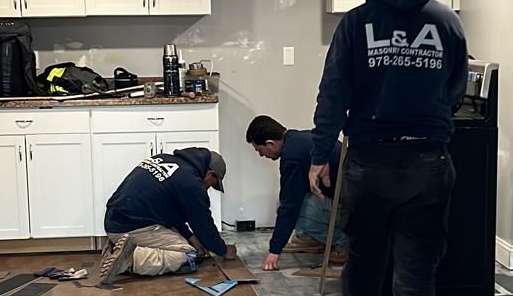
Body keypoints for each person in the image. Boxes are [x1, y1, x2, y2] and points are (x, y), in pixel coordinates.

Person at [309, 0, 468, 296]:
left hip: (369, 161)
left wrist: (320, 155)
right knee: (417, 270)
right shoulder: (447, 22)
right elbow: (456, 88)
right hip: (427, 161)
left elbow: (333, 93)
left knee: (365, 252)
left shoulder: (357, 23)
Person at [99, 146, 236, 284]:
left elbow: (171, 214)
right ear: (209, 173)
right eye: (211, 184)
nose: (207, 188)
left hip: (114, 222)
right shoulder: (192, 184)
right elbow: (203, 225)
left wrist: (190, 237)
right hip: (131, 227)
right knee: (189, 253)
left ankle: (116, 246)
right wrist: (223, 250)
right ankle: (128, 259)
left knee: (187, 243)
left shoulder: (164, 159)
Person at [245, 116, 346, 271]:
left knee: (296, 206)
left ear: (270, 143)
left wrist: (274, 251)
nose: (261, 155)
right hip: (354, 200)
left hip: (351, 209)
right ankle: (315, 240)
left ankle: (344, 243)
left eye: (260, 150)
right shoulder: (301, 138)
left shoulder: (292, 157)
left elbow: (289, 206)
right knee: (294, 199)